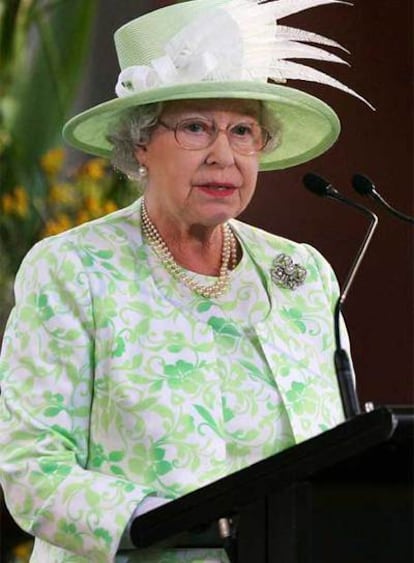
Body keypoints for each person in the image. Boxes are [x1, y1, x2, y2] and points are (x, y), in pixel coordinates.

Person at [0, 0, 368, 561]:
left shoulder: (300, 273)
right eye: (197, 127)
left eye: (243, 130)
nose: (224, 155)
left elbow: (340, 450)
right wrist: (166, 522)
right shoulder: (71, 269)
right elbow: (32, 470)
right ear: (141, 143)